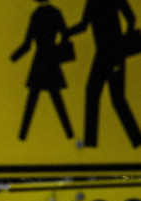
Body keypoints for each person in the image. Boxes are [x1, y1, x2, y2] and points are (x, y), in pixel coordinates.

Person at [67, 0, 141, 147]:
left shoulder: (94, 2)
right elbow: (84, 25)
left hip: (110, 53)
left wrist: (122, 43)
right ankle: (134, 139)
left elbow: (131, 18)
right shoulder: (92, 2)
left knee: (104, 96)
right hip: (107, 53)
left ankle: (92, 141)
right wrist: (67, 32)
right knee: (109, 96)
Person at [11, 0, 74, 141]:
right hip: (50, 58)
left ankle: (22, 136)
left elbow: (27, 44)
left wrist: (14, 57)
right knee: (53, 98)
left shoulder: (37, 14)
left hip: (41, 59)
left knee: (35, 99)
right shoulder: (54, 13)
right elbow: (65, 34)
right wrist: (58, 50)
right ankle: (69, 134)